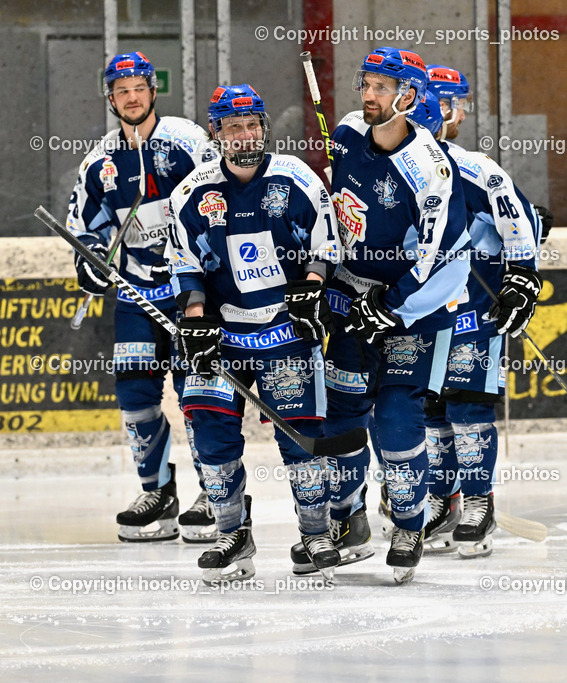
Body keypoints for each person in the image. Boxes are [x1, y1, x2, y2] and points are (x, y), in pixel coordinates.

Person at [290, 47, 470, 584]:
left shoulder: (432, 169)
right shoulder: (345, 132)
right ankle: (349, 523)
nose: (368, 94)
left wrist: (390, 307)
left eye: (381, 86)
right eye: (365, 83)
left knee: (395, 421)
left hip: (410, 312)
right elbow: (331, 216)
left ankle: (411, 523)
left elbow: (440, 256)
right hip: (350, 305)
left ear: (408, 97)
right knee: (343, 420)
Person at [168, 84, 342, 584]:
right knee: (209, 429)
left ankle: (314, 533)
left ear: (264, 127)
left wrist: (311, 286)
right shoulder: (193, 193)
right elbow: (185, 263)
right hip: (222, 335)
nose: (245, 135)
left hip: (286, 331)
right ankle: (232, 533)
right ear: (216, 134)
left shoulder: (296, 179)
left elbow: (325, 243)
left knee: (302, 436)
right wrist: (196, 315)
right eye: (233, 127)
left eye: (252, 125)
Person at [67, 51, 218, 543]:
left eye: (137, 88)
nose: (130, 98)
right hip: (135, 291)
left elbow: (220, 199)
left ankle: (215, 492)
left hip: (188, 287)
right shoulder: (99, 161)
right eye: (120, 91)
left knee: (198, 394)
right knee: (135, 398)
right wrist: (90, 263)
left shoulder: (189, 140)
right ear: (110, 98)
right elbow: (85, 227)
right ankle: (158, 490)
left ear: (153, 91)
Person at [411, 76, 543, 558]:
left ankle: (478, 503)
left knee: (467, 403)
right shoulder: (388, 169)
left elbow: (521, 222)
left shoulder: (474, 168)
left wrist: (520, 278)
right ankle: (442, 502)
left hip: (471, 307)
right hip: (419, 309)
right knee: (429, 407)